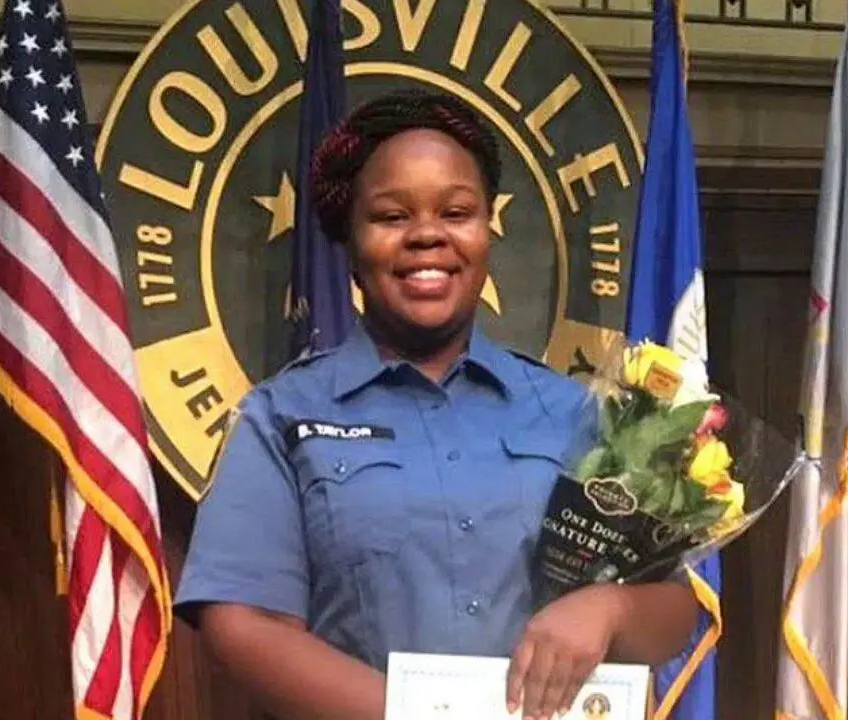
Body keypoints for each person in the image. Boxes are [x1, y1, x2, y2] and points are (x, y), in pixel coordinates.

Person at [175, 89, 697, 720]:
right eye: (391, 217)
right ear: (350, 240)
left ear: (486, 231)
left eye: (456, 211)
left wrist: (608, 609)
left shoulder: (571, 413)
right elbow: (244, 625)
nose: (428, 235)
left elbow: (671, 613)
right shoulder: (281, 416)